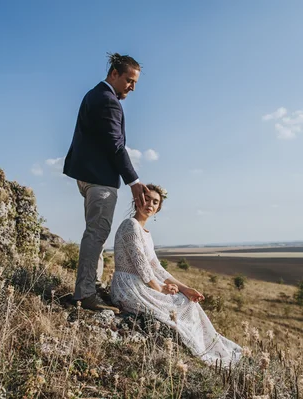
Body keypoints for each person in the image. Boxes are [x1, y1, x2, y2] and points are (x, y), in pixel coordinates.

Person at [111, 185, 242, 367]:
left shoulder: (146, 234)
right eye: (147, 199)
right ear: (137, 200)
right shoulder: (130, 225)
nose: (150, 204)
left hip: (142, 283)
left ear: (158, 208)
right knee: (179, 305)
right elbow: (141, 264)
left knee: (187, 300)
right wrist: (160, 288)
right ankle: (204, 351)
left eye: (155, 202)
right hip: (128, 285)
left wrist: (185, 288)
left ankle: (211, 348)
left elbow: (157, 268)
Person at [63, 53, 150, 312]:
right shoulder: (108, 101)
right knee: (97, 234)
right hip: (99, 178)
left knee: (96, 234)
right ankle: (86, 295)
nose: (132, 87)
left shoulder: (94, 94)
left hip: (87, 174)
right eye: (129, 80)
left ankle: (92, 285)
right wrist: (133, 180)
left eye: (135, 83)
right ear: (114, 73)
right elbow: (116, 145)